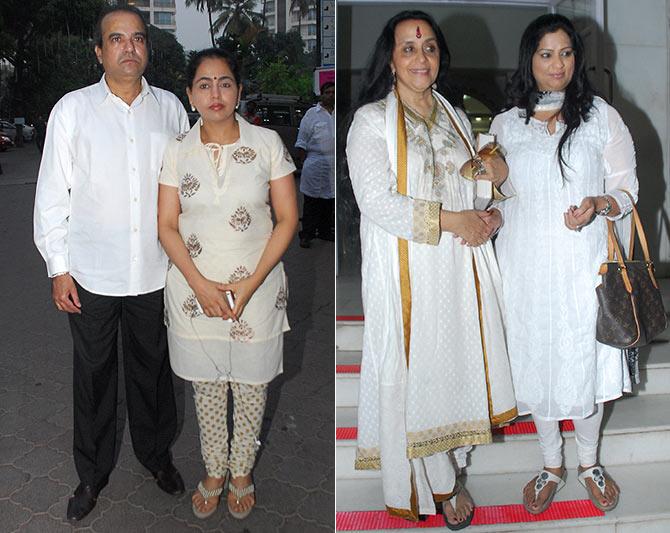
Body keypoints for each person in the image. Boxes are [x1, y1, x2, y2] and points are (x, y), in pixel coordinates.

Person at [345, 11, 517, 528]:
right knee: (410, 367)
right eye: (408, 48)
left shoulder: (456, 117)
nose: (421, 58)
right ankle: (436, 484)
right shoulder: (371, 120)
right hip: (405, 267)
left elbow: (470, 184)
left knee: (448, 364)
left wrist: (491, 200)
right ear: (391, 59)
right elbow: (376, 200)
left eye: (429, 48)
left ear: (440, 58)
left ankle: (448, 464)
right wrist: (453, 219)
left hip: (453, 267)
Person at [33, 5, 189, 522]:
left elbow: (185, 192)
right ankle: (91, 474)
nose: (129, 47)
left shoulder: (169, 110)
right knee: (95, 378)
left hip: (153, 272)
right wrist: (59, 267)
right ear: (100, 51)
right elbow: (53, 196)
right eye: (116, 39)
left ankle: (156, 456)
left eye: (138, 38)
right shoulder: (72, 111)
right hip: (92, 275)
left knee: (152, 372)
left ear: (148, 48)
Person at [490, 13, 638, 515]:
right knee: (539, 364)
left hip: (584, 266)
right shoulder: (506, 123)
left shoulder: (601, 117)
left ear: (578, 59)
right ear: (529, 60)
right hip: (525, 267)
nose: (557, 64)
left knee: (583, 363)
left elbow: (628, 189)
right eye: (546, 54)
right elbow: (502, 194)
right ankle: (551, 463)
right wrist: (487, 185)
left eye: (566, 53)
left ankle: (589, 462)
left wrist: (599, 203)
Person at [157, 48, 298, 520]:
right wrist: (200, 285)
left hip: (255, 292)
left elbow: (287, 218)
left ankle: (241, 471)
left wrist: (252, 284)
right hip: (195, 293)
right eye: (203, 84)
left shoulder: (266, 144)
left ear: (238, 90)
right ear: (190, 94)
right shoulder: (177, 150)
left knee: (252, 385)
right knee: (208, 387)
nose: (214, 93)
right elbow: (166, 226)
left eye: (224, 83)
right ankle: (214, 469)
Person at [295, 81, 335, 248]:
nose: (331, 95)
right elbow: (302, 141)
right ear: (321, 94)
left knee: (329, 201)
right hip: (315, 163)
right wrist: (303, 163)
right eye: (328, 92)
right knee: (312, 202)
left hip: (333, 164)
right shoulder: (312, 114)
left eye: (334, 92)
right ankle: (307, 235)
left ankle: (325, 231)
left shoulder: (338, 113)